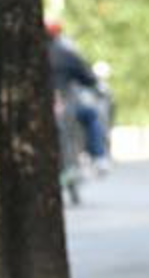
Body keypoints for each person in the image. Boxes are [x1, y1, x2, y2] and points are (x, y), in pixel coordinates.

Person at [46, 21, 108, 172]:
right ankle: (98, 156)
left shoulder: (26, 56)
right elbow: (88, 77)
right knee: (91, 115)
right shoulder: (65, 54)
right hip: (65, 104)